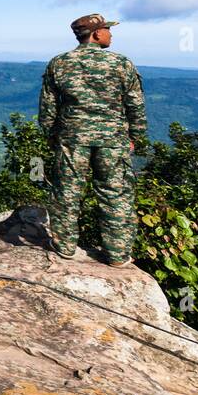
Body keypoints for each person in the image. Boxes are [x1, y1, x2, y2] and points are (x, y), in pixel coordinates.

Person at [38, 14, 148, 265]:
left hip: (72, 139)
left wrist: (51, 136)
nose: (111, 33)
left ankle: (64, 246)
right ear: (96, 34)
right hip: (113, 140)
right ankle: (117, 255)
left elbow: (48, 107)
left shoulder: (60, 63)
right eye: (108, 29)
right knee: (115, 193)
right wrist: (137, 136)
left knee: (67, 191)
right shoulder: (121, 63)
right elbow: (135, 105)